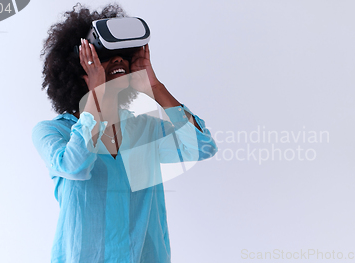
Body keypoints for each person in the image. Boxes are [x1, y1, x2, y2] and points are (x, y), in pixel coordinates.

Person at [31, 3, 218, 262]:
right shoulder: (54, 132)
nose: (119, 59)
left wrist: (154, 85)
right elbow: (75, 166)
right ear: (79, 66)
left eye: (124, 55)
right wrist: (96, 96)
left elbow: (202, 145)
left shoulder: (143, 128)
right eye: (105, 55)